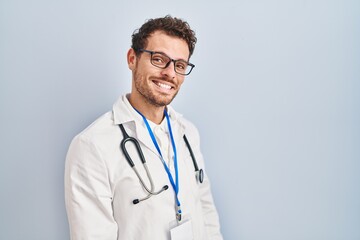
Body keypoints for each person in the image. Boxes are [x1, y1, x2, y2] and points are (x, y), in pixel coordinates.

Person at [65, 15, 223, 240]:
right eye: (159, 59)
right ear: (132, 58)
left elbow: (206, 213)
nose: (170, 73)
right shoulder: (91, 147)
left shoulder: (188, 133)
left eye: (180, 65)